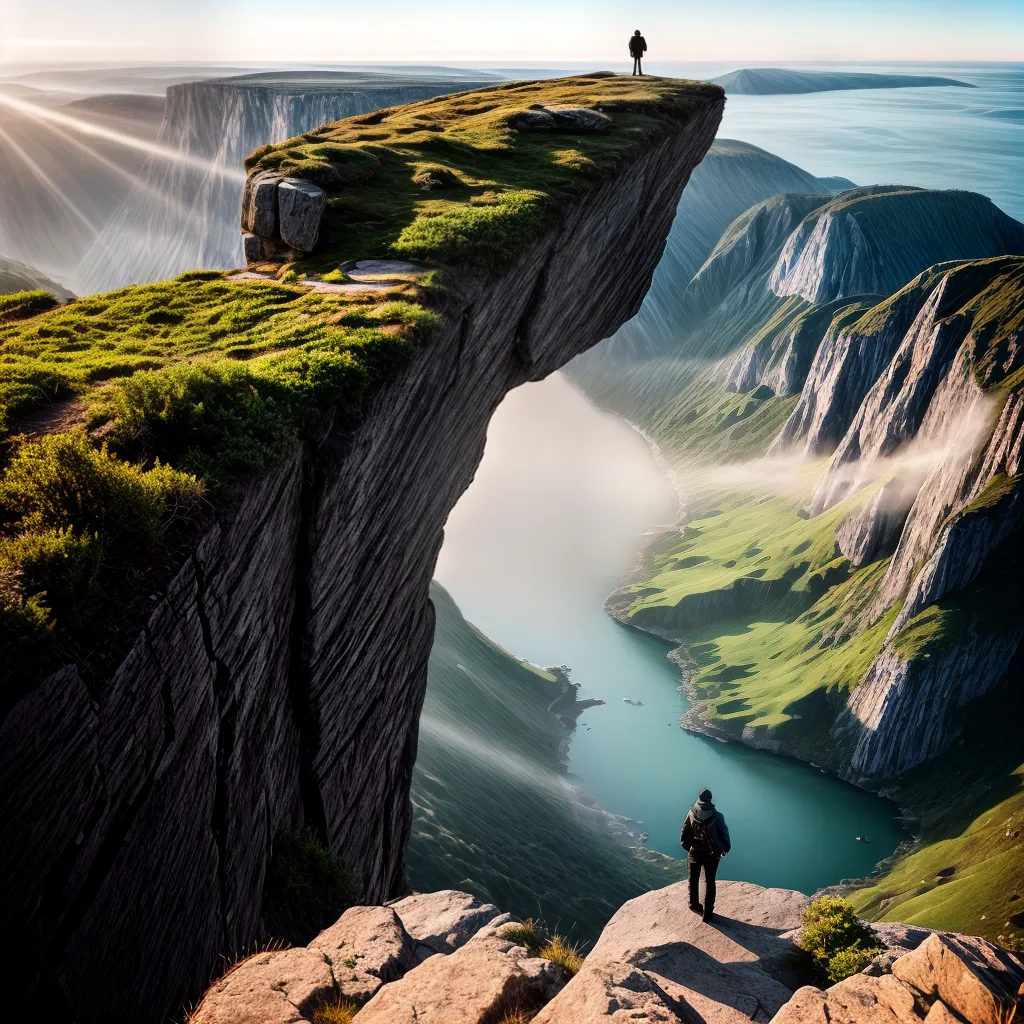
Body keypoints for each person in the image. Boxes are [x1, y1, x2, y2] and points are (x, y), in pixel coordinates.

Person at [680, 788, 731, 923]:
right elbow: (725, 837)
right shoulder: (717, 816)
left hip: (695, 853)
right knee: (710, 882)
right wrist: (723, 850)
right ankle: (707, 914)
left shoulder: (691, 813)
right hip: (712, 855)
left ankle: (694, 904)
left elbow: (684, 836)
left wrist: (691, 849)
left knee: (693, 879)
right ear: (710, 800)